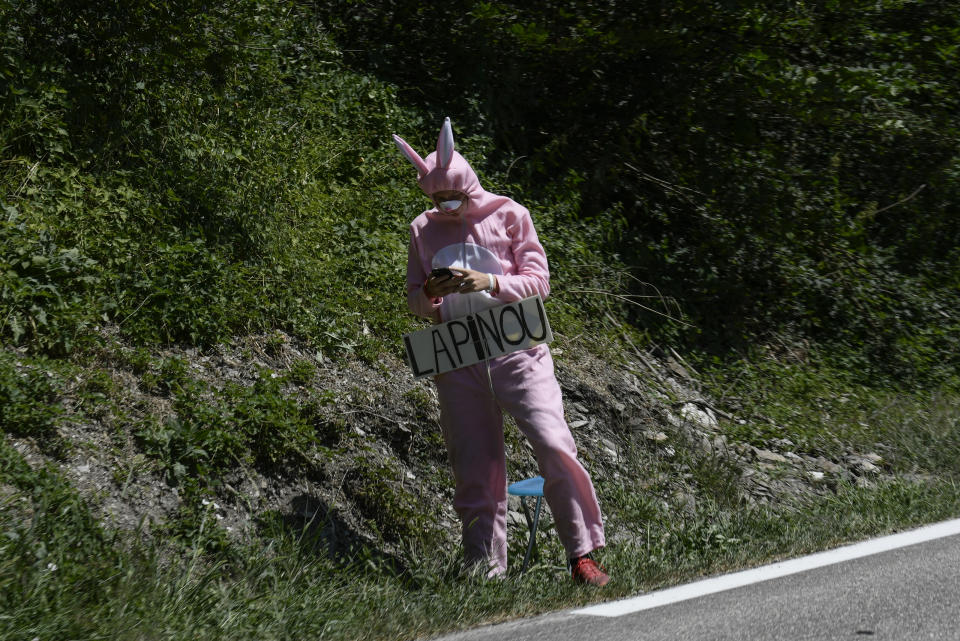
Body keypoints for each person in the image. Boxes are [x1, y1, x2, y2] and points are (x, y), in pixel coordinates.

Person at [393, 117, 609, 585]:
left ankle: (582, 552)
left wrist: (489, 281)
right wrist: (430, 292)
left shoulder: (510, 214)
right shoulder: (422, 229)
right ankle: (483, 569)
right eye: (435, 198)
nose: (444, 205)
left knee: (553, 442)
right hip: (458, 353)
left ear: (469, 184)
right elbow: (414, 300)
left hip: (516, 347)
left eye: (452, 195)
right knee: (474, 462)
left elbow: (539, 281)